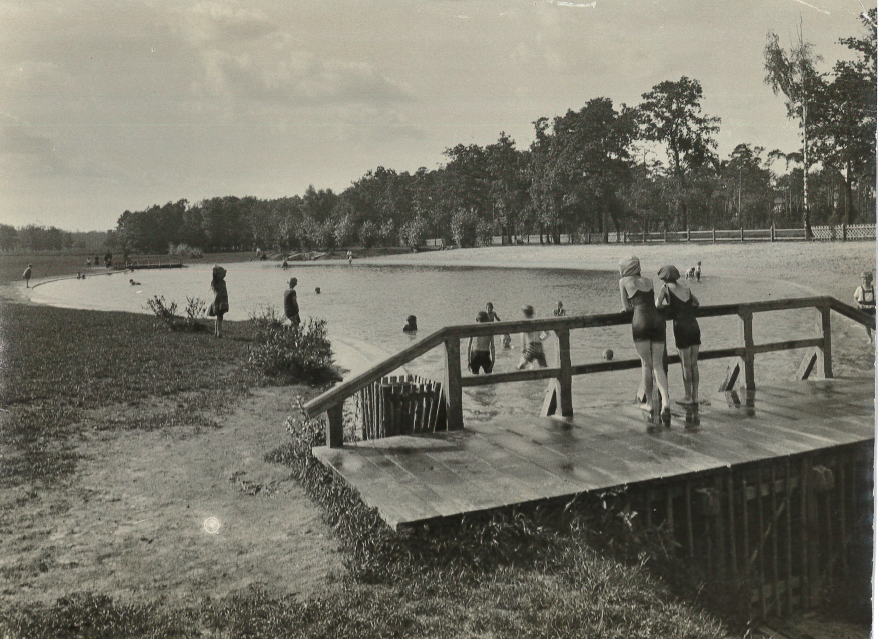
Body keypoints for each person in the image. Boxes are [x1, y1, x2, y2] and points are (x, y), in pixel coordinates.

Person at [619, 255, 670, 417]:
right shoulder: (649, 281)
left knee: (646, 365)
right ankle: (666, 402)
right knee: (658, 365)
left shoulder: (623, 282)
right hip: (657, 320)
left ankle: (649, 403)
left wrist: (629, 308)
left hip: (641, 320)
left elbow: (627, 308)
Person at [656, 265, 701, 406]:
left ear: (664, 278)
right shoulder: (686, 289)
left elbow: (657, 305)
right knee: (694, 364)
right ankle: (695, 396)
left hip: (681, 327)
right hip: (694, 326)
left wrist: (669, 306)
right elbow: (696, 303)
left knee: (686, 366)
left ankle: (687, 397)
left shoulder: (665, 289)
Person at [516, 305, 547, 370]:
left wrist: (522, 348)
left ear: (525, 314)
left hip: (530, 346)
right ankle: (544, 379)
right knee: (544, 367)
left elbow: (523, 336)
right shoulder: (537, 322)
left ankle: (522, 379)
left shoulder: (525, 323)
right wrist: (541, 339)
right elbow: (548, 333)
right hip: (539, 346)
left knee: (520, 366)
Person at [208, 265, 229, 338]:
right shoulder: (215, 282)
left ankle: (217, 332)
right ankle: (218, 332)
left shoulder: (222, 282)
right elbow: (216, 292)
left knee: (220, 317)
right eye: (222, 274)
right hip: (218, 301)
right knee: (219, 316)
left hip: (222, 301)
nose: (224, 275)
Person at [854, 271, 875, 342]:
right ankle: (870, 337)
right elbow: (855, 298)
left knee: (873, 322)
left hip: (872, 309)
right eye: (863, 279)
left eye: (867, 279)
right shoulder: (859, 289)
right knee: (867, 324)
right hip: (863, 309)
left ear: (871, 280)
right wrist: (859, 305)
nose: (865, 281)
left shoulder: (874, 288)